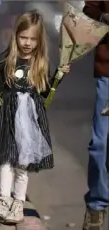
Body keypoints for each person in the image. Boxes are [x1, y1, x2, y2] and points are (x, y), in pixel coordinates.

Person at [0, 11, 70, 224]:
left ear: (39, 41)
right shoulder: (5, 59)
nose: (28, 43)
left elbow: (45, 94)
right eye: (23, 37)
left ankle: (18, 204)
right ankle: (3, 200)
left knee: (22, 164)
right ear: (15, 35)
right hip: (7, 118)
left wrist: (59, 76)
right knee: (5, 160)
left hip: (29, 121)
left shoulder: (40, 63)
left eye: (33, 39)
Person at [82, 2, 109, 230]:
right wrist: (103, 16)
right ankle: (97, 205)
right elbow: (89, 9)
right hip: (108, 74)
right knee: (100, 143)